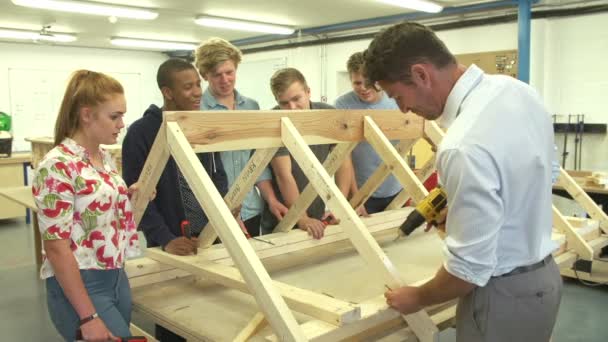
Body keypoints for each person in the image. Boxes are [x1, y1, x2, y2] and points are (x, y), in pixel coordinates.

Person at [363, 22, 561, 341]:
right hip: (544, 282)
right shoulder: (519, 92)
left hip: (503, 298)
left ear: (421, 75)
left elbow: (467, 273)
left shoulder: (461, 145)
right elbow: (547, 174)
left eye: (398, 96)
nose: (403, 109)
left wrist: (416, 297)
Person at [32, 70, 146, 341]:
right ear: (86, 115)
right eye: (114, 116)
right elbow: (56, 247)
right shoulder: (57, 165)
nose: (122, 124)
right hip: (82, 283)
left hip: (116, 276)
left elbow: (90, 211)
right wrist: (88, 316)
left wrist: (127, 197)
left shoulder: (104, 158)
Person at [123, 58, 228, 256]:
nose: (197, 92)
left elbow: (218, 175)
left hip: (210, 235)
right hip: (171, 241)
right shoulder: (141, 133)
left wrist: (224, 207)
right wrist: (165, 238)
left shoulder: (202, 125)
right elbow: (138, 194)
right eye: (188, 87)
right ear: (168, 92)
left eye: (198, 84)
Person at [195, 37, 287, 237]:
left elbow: (257, 161)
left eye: (229, 72)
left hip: (250, 209)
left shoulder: (251, 107)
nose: (225, 80)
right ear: (204, 75)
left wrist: (271, 200)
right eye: (217, 75)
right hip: (214, 212)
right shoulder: (197, 110)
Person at [263, 67, 350, 239]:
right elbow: (283, 175)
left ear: (308, 92)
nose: (292, 108)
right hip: (283, 216)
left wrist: (340, 207)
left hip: (317, 211)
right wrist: (301, 218)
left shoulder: (328, 115)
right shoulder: (275, 120)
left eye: (296, 99)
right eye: (284, 103)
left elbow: (343, 161)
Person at [335, 51, 403, 214]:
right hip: (362, 194)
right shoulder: (343, 104)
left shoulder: (397, 100)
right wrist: (355, 198)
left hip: (397, 189)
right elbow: (345, 157)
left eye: (369, 82)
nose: (364, 88)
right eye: (357, 83)